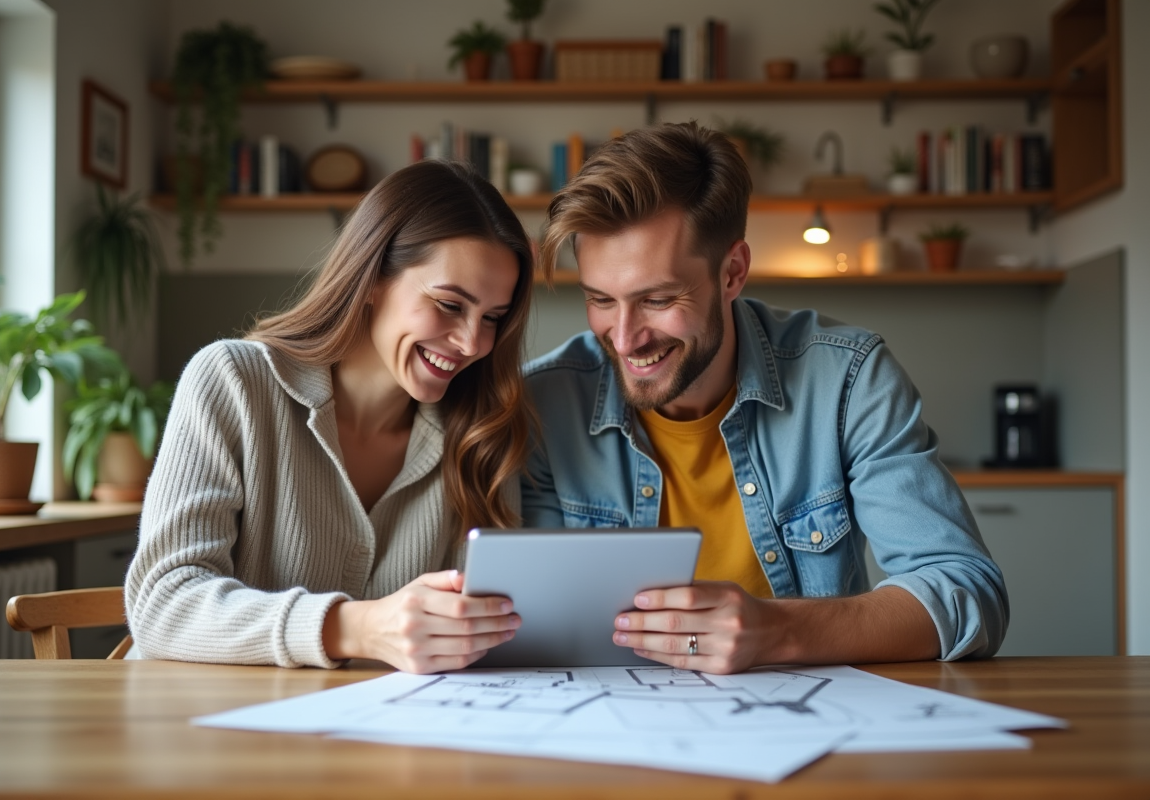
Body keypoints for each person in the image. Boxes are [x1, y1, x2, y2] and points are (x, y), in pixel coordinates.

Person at [522, 122, 1008, 674]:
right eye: (601, 300)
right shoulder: (544, 402)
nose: (626, 338)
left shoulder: (846, 379)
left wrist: (778, 631)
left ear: (732, 273)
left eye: (657, 299)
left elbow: (969, 592)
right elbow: (537, 622)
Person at [126, 160, 541, 673]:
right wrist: (359, 628)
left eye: (493, 318)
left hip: (382, 723)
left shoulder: (482, 432)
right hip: (203, 719)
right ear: (372, 278)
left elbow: (484, 633)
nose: (473, 342)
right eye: (450, 305)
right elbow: (162, 604)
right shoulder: (232, 381)